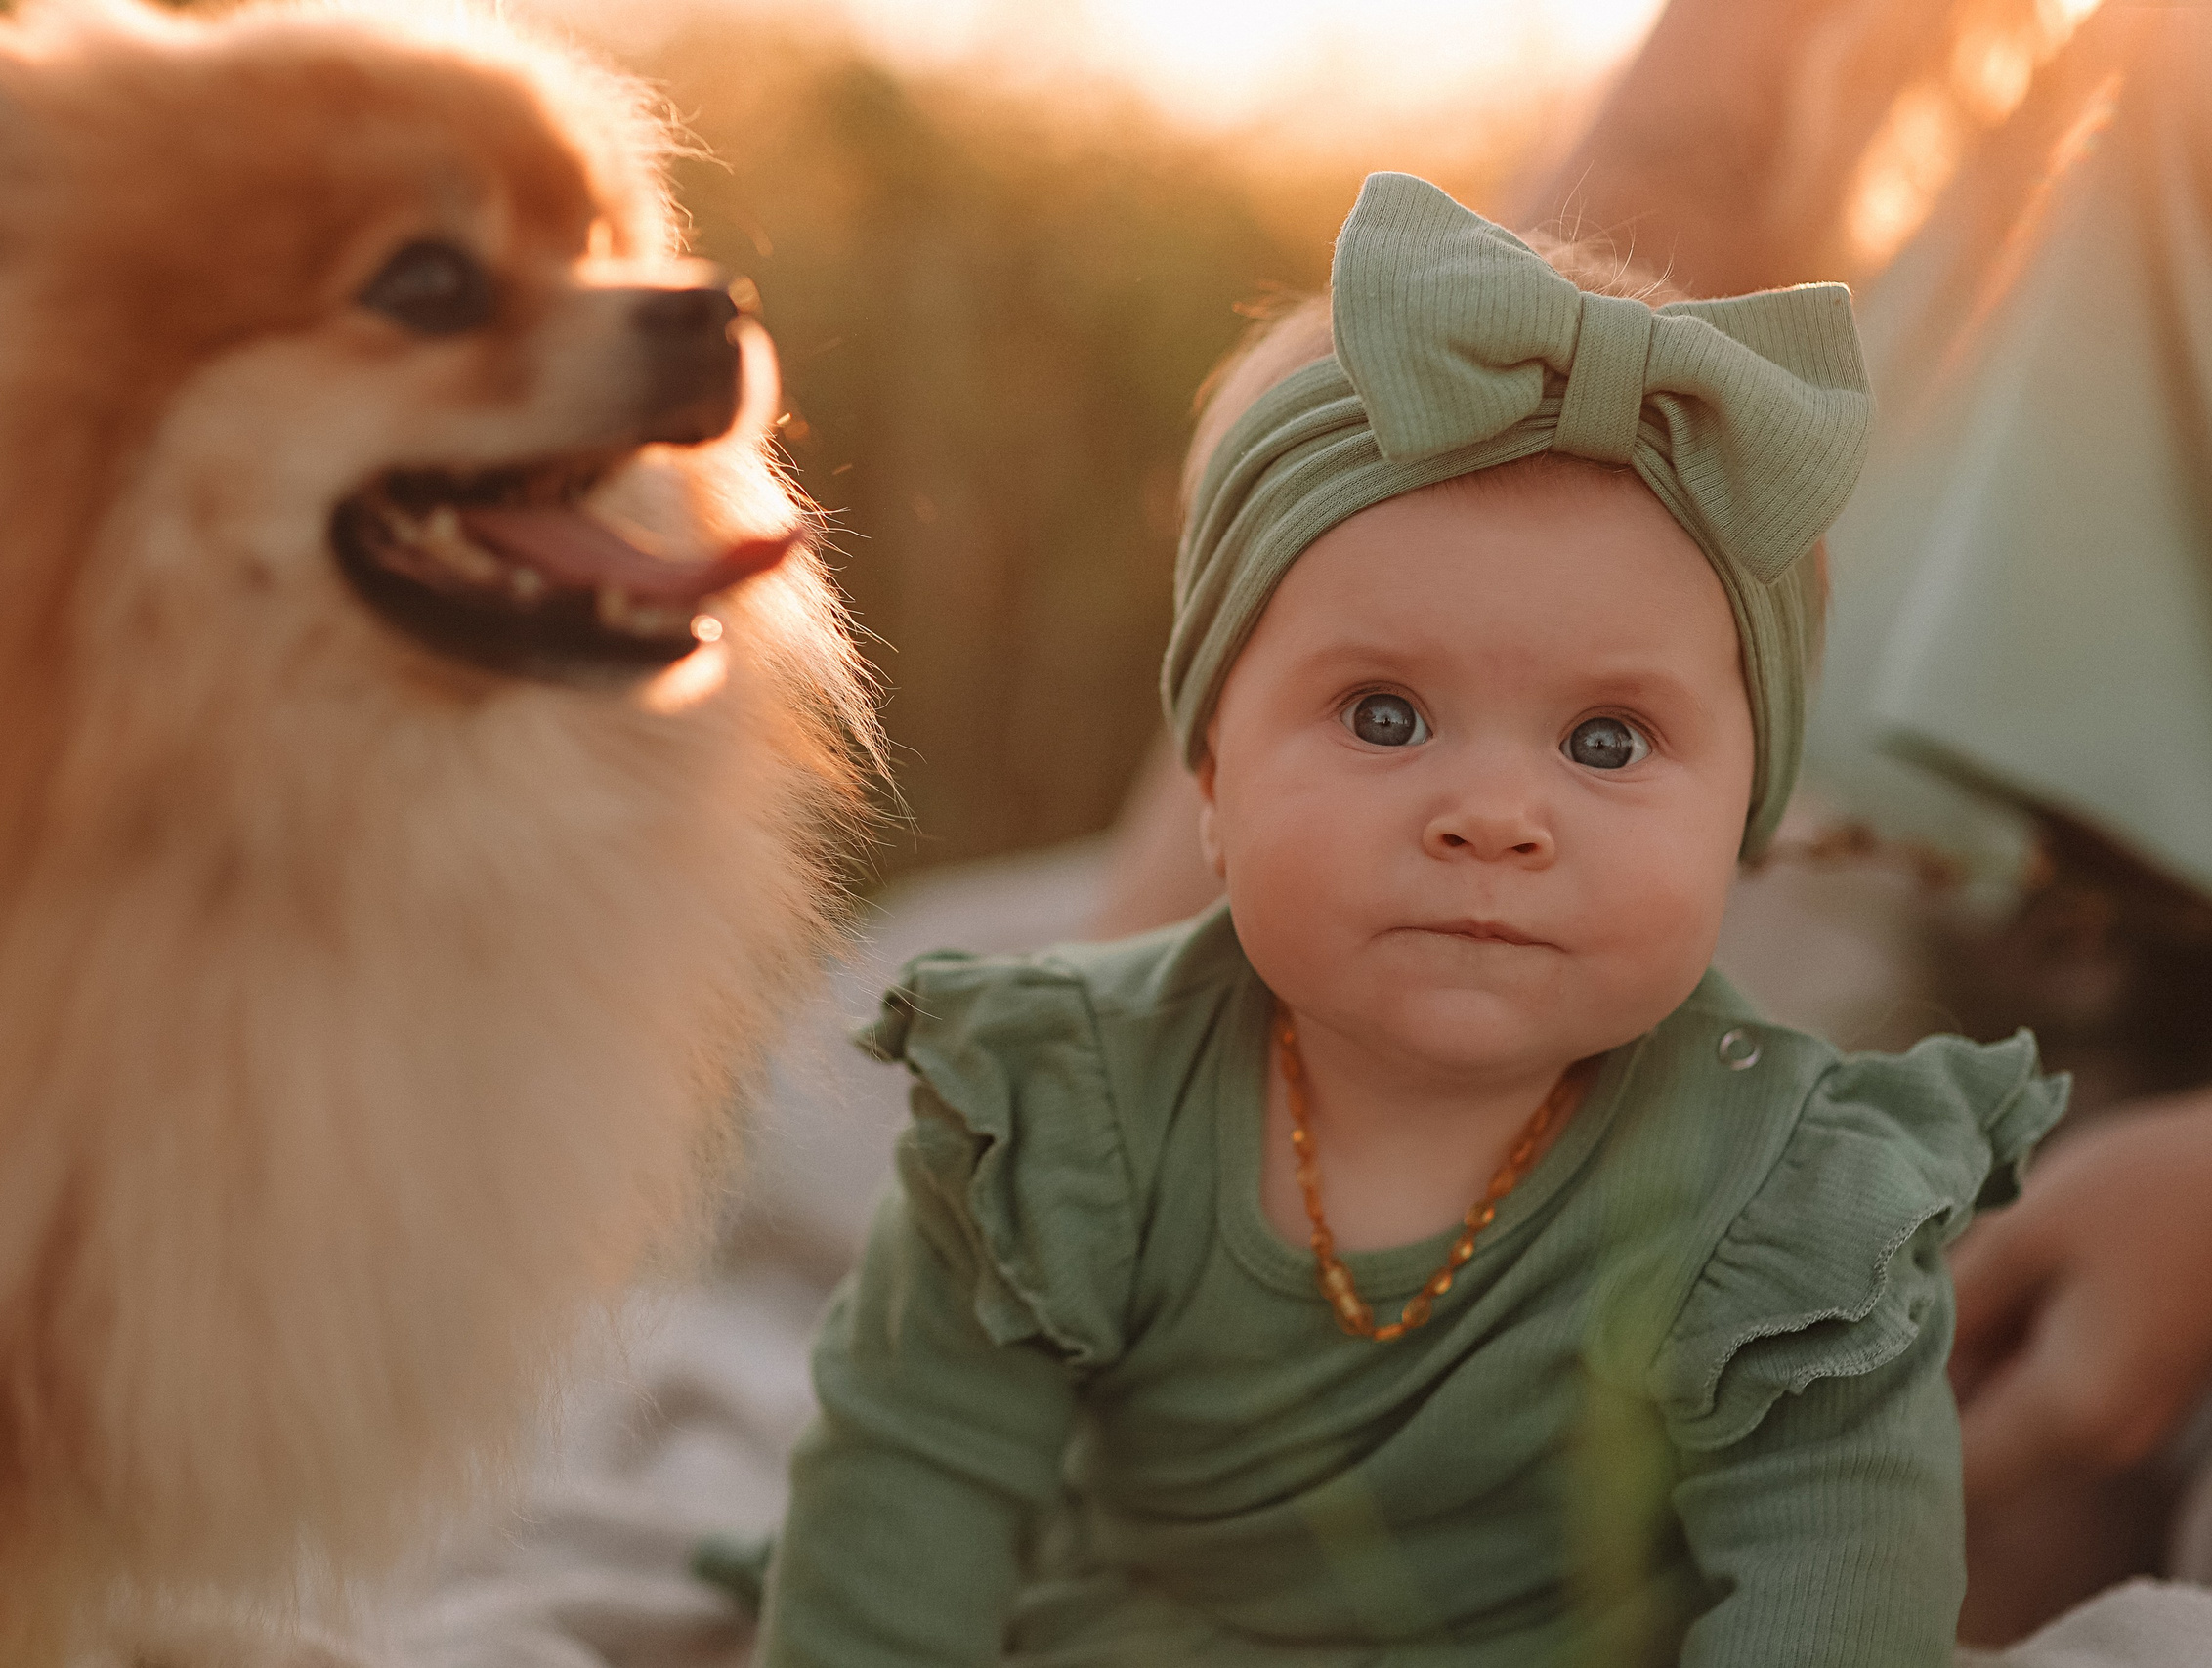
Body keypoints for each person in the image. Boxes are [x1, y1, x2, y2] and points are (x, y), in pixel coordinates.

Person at [752, 174, 2066, 1667]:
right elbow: (904, 1494)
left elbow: (1839, 1597)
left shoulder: (1790, 1199)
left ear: (1749, 820)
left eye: (1609, 742)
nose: (1494, 814)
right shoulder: (1061, 1108)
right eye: (1385, 715)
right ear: (1210, 772)